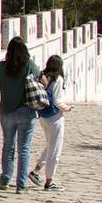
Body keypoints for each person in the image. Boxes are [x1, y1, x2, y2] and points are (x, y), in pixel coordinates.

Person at [0, 37, 39, 192]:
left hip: (6, 112)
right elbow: (44, 82)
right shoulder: (29, 66)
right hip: (26, 112)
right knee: (24, 149)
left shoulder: (1, 67)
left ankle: (5, 179)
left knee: (8, 146)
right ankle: (21, 185)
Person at [31, 55, 72, 191]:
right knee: (55, 150)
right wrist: (67, 108)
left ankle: (36, 171)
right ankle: (49, 182)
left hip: (43, 116)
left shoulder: (43, 77)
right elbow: (56, 100)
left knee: (50, 145)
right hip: (54, 117)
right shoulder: (58, 79)